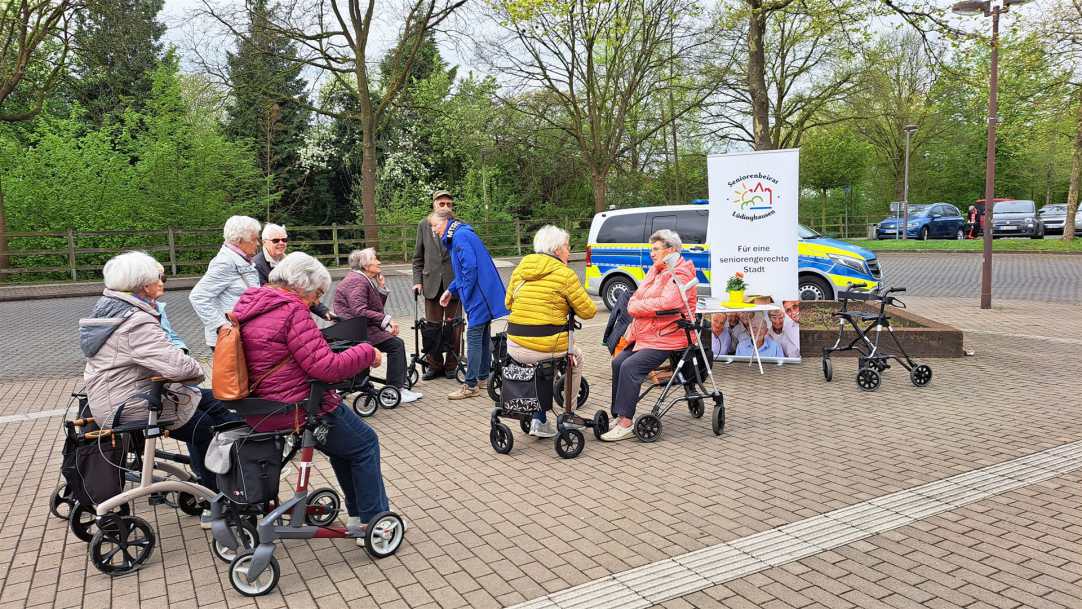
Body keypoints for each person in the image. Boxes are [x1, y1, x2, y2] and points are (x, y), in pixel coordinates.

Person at [231, 252, 393, 541]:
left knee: (345, 447)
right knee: (365, 443)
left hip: (261, 406)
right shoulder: (292, 311)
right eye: (317, 294)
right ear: (301, 285)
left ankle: (358, 513)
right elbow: (326, 367)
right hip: (299, 405)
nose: (314, 302)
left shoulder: (251, 305)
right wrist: (367, 352)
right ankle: (373, 521)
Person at [80, 251, 235, 524]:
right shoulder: (136, 321)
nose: (162, 282)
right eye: (158, 278)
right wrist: (195, 367)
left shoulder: (110, 309)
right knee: (207, 427)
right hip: (133, 404)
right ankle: (219, 498)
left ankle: (224, 482)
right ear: (143, 284)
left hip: (117, 398)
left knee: (218, 404)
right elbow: (182, 369)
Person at [602, 230, 697, 442]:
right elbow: (635, 297)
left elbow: (668, 303)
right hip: (649, 334)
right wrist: (637, 305)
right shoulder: (656, 271)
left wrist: (637, 308)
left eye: (656, 249)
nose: (652, 253)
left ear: (671, 250)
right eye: (651, 249)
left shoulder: (680, 273)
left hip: (671, 335)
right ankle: (619, 416)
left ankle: (626, 423)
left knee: (631, 367)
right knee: (618, 362)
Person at [505, 226, 596, 438]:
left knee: (542, 364)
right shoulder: (565, 275)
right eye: (566, 246)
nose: (568, 250)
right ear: (556, 250)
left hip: (515, 345)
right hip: (547, 345)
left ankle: (539, 418)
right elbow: (589, 311)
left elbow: (508, 303)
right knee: (575, 357)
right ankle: (569, 412)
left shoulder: (520, 270)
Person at [428, 207, 509, 400]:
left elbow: (469, 269)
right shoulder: (461, 233)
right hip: (485, 294)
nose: (434, 230)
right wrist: (450, 290)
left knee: (473, 337)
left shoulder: (459, 237)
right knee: (482, 336)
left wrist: (466, 294)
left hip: (479, 296)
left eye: (435, 226)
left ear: (446, 221)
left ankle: (470, 384)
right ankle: (482, 377)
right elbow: (465, 271)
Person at [334, 248, 422, 403]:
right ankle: (395, 390)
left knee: (395, 344)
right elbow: (359, 310)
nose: (379, 262)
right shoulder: (357, 281)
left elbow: (373, 308)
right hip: (357, 331)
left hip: (358, 328)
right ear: (365, 265)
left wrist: (381, 288)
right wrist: (387, 320)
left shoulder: (360, 279)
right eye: (375, 259)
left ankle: (387, 386)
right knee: (396, 345)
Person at [189, 215, 262, 350]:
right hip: (228, 340)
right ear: (239, 240)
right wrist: (222, 326)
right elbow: (198, 297)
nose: (258, 243)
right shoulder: (225, 262)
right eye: (254, 239)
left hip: (240, 335)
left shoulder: (240, 259)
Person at [411, 190, 462, 380]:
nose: (446, 207)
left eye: (449, 204)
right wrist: (417, 281)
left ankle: (452, 364)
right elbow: (417, 258)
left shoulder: (459, 226)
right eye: (442, 204)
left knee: (454, 327)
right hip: (431, 283)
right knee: (432, 326)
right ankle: (434, 364)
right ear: (434, 204)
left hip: (454, 285)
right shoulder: (424, 225)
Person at [253, 223, 335, 320]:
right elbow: (263, 300)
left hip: (293, 313)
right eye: (275, 240)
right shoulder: (256, 265)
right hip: (275, 318)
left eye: (284, 240)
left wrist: (324, 311)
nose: (281, 243)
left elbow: (305, 289)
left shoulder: (291, 261)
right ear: (264, 242)